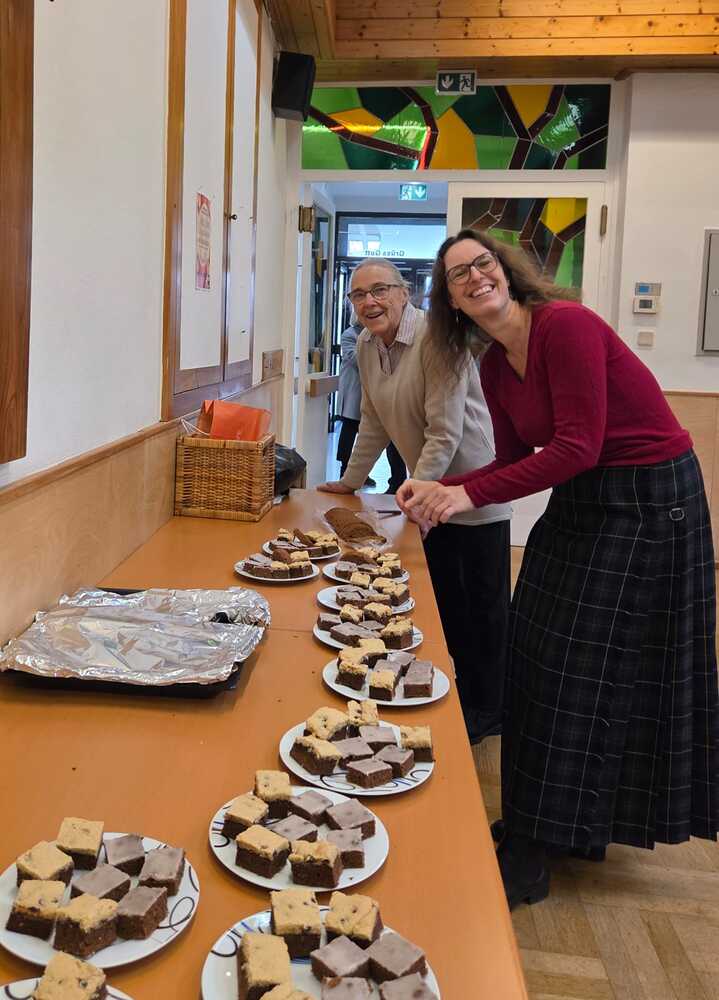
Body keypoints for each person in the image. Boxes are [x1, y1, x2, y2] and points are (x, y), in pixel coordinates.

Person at [397, 228, 719, 910]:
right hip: (585, 498)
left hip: (649, 499)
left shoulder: (563, 326)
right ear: (449, 301)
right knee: (535, 650)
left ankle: (535, 846)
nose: (474, 277)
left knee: (584, 668)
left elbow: (576, 446)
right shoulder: (492, 365)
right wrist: (437, 490)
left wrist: (463, 496)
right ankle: (552, 821)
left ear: (505, 270)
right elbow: (513, 461)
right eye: (457, 275)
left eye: (482, 263)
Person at [319, 258, 512, 743]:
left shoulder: (437, 339)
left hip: (472, 492)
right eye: (359, 294)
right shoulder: (367, 345)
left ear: (404, 293)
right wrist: (350, 481)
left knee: (483, 609)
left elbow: (445, 433)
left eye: (380, 290)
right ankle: (458, 691)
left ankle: (491, 709)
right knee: (443, 603)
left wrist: (417, 494)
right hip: (429, 495)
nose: (369, 302)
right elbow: (373, 420)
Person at [336, 311, 407, 492]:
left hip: (378, 392)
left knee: (390, 437)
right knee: (350, 430)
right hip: (354, 392)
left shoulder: (381, 336)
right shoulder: (350, 335)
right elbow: (356, 359)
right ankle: (346, 472)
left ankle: (396, 481)